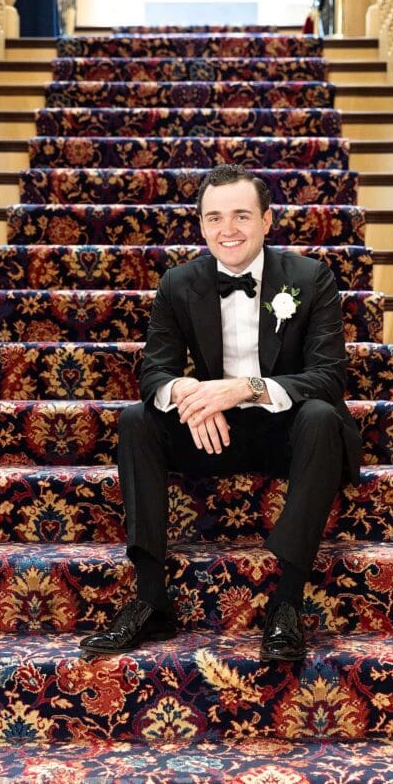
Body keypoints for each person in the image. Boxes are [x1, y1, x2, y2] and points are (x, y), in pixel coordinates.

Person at [81, 166, 360, 665]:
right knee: (135, 421)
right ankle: (150, 597)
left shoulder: (309, 278)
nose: (227, 229)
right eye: (214, 217)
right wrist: (188, 392)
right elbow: (154, 375)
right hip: (215, 435)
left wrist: (243, 389)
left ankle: (286, 602)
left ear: (267, 220)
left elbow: (328, 377)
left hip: (289, 433)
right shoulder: (178, 282)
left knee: (321, 415)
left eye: (240, 215)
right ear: (202, 225)